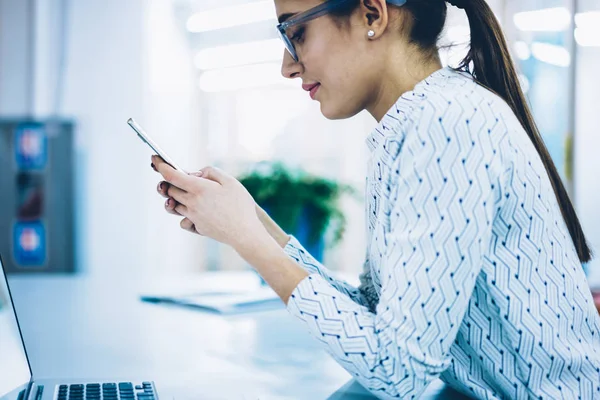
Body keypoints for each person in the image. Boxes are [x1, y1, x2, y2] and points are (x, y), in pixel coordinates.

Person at [151, 0, 600, 398]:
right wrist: (253, 222)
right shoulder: (411, 125)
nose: (287, 66)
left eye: (295, 32)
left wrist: (248, 240)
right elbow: (378, 312)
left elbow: (395, 370)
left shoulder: (447, 123)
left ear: (372, 14)